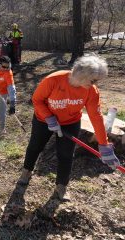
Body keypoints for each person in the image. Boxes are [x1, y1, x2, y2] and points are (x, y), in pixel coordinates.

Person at [18, 55, 120, 201]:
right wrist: (49, 118)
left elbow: (96, 117)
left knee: (66, 154)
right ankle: (26, 171)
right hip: (43, 120)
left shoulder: (91, 91)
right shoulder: (53, 80)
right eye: (93, 80)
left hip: (70, 122)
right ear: (82, 74)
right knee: (35, 146)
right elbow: (37, 100)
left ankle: (61, 186)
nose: (95, 84)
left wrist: (103, 144)